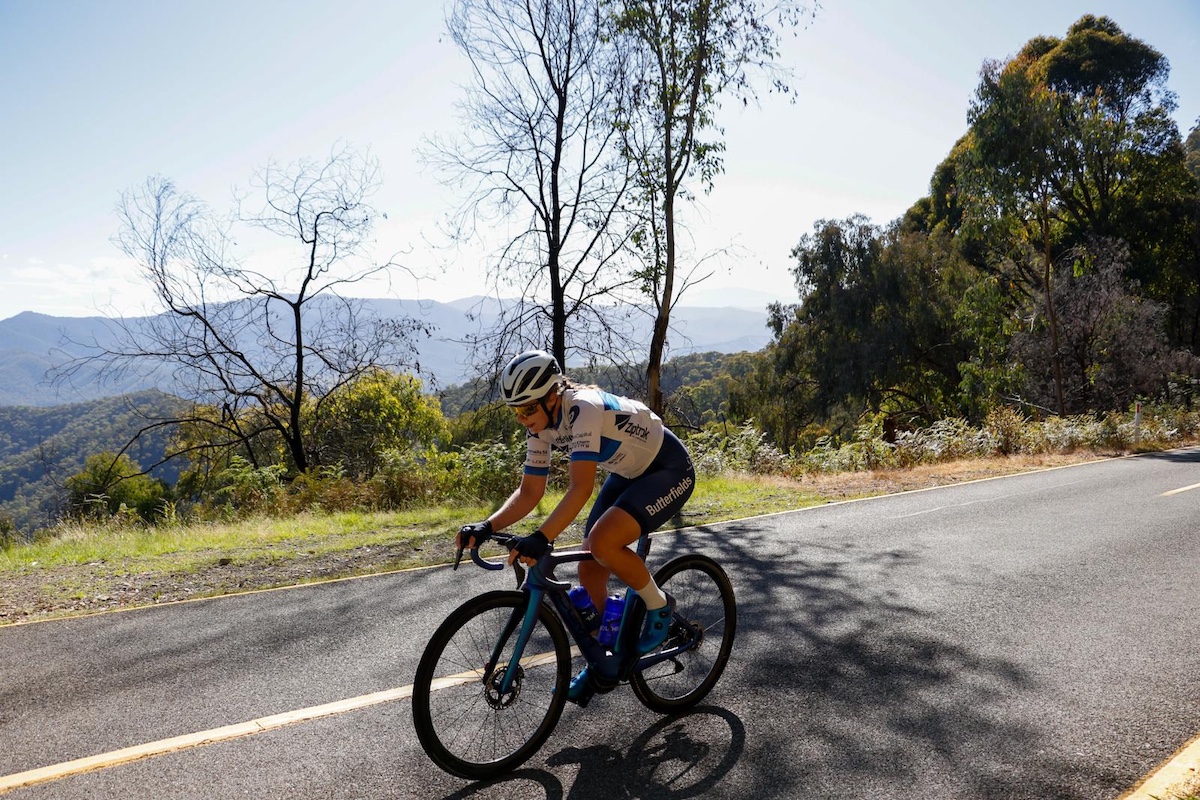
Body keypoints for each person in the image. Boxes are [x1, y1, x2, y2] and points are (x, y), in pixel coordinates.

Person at [456, 349, 696, 703]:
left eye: (527, 409)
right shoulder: (541, 425)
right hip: (628, 472)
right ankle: (605, 658)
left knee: (602, 544)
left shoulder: (584, 407)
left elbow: (581, 487)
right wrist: (487, 526)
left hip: (668, 469)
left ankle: (659, 605)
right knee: (589, 567)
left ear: (553, 395)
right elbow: (530, 491)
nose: (522, 419)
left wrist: (542, 537)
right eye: (516, 412)